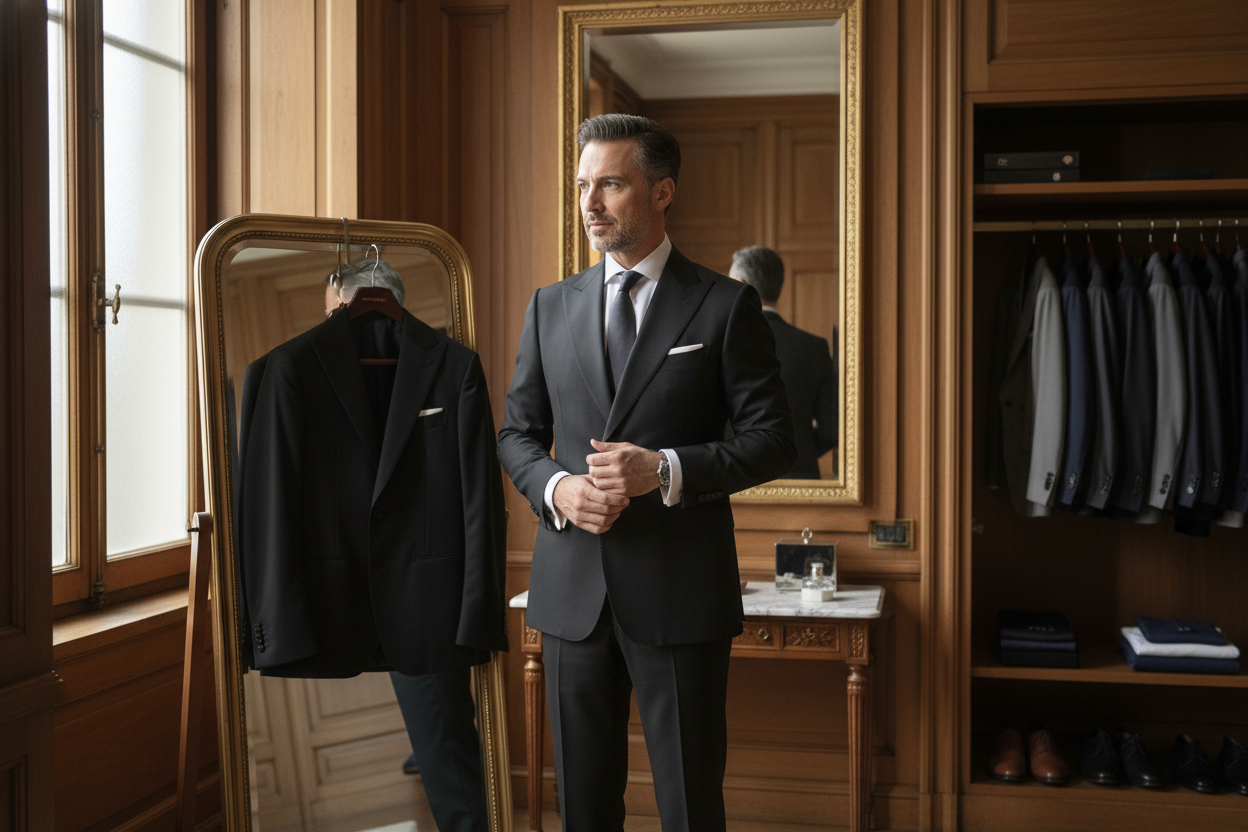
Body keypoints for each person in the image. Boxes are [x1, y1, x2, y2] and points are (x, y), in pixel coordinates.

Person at [497, 114, 795, 831]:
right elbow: (515, 435)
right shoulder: (548, 308)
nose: (590, 204)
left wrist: (663, 470)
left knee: (690, 806)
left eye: (610, 184)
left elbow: (773, 438)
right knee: (583, 809)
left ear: (662, 193)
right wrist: (558, 488)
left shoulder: (725, 305)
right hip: (571, 598)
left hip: (681, 595)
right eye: (581, 187)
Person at [321, 261, 492, 829]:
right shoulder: (316, 371)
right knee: (436, 745)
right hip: (353, 592)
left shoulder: (452, 367)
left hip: (430, 602)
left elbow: (478, 501)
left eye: (331, 313)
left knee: (448, 754)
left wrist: (475, 612)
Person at [729, 246, 839, 479]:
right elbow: (832, 430)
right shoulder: (814, 348)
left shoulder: (720, 345)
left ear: (740, 284)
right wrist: (796, 452)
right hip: (801, 484)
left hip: (736, 482)